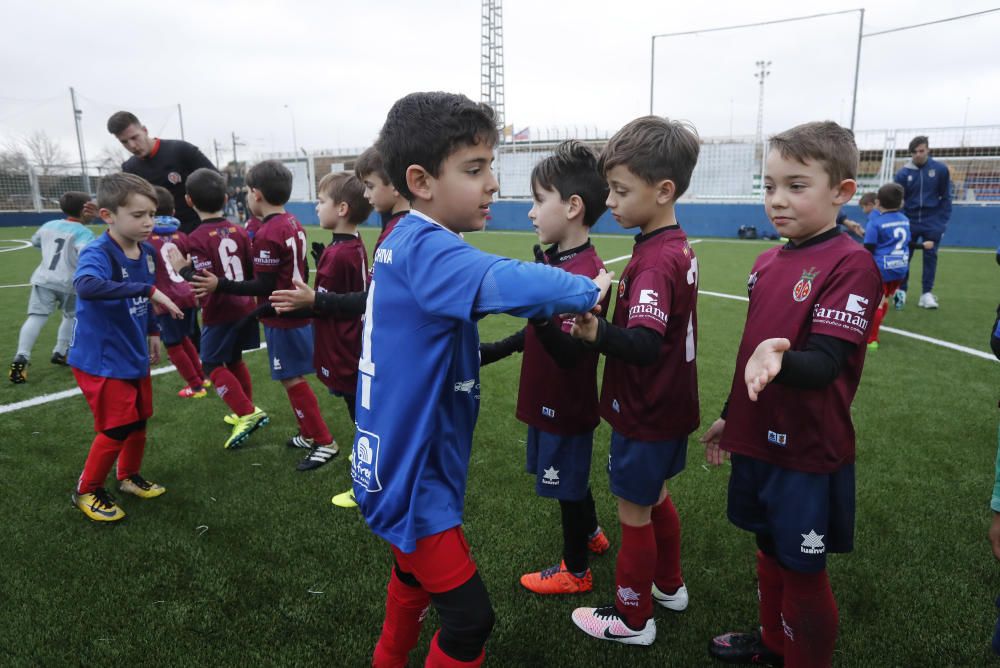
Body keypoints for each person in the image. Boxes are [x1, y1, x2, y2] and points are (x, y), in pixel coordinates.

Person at [354, 91, 612, 668]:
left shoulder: (404, 240)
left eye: (490, 166)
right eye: (475, 169)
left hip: (399, 456)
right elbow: (505, 282)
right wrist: (585, 288)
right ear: (420, 181)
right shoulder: (426, 245)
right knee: (470, 619)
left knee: (410, 571)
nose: (493, 183)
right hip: (412, 471)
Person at [702, 121, 882, 667]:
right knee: (767, 547)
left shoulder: (852, 263)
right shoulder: (765, 262)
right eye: (769, 185)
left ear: (842, 192)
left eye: (796, 185)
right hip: (758, 437)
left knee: (803, 567)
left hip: (806, 450)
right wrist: (732, 415)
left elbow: (825, 363)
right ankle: (774, 644)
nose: (777, 200)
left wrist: (777, 362)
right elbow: (753, 354)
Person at [567, 116, 701, 646]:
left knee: (633, 512)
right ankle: (669, 586)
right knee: (656, 497)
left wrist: (597, 330)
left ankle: (632, 617)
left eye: (621, 190)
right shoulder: (675, 245)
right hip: (672, 406)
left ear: (663, 190)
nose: (612, 201)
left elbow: (645, 343)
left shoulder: (652, 262)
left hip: (645, 410)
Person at [478, 140, 612, 596]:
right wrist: (493, 350)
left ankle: (576, 570)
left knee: (567, 488)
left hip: (565, 403)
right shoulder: (558, 262)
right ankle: (592, 533)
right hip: (547, 398)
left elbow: (573, 352)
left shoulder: (586, 278)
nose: (532, 213)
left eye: (539, 201)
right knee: (570, 478)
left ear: (573, 207)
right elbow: (539, 334)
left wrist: (535, 309)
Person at [189, 160, 337, 469]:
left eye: (246, 191)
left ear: (256, 194)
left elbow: (264, 283)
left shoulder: (269, 232)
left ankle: (324, 441)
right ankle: (309, 433)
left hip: (283, 311)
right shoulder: (292, 221)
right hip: (290, 307)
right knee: (290, 377)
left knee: (291, 378)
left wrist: (221, 284)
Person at [68, 173, 185, 522]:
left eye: (151, 213)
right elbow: (86, 285)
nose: (148, 222)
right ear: (108, 216)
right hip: (101, 357)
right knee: (117, 426)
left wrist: (152, 330)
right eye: (138, 215)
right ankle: (87, 489)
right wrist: (146, 292)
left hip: (131, 350)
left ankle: (128, 476)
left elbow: (144, 292)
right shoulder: (99, 251)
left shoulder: (147, 252)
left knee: (138, 419)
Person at [270, 172, 372, 470]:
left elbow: (324, 304)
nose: (316, 207)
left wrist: (290, 304)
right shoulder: (351, 244)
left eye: (321, 201)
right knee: (357, 399)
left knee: (356, 403)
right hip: (351, 338)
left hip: (342, 342)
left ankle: (370, 455)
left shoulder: (339, 254)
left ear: (342, 209)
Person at [167, 168, 269, 450]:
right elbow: (251, 270)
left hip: (220, 309)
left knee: (211, 363)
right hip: (244, 304)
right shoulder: (240, 230)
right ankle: (245, 409)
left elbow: (203, 280)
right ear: (226, 199)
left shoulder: (195, 237)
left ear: (188, 201)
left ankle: (247, 413)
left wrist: (182, 270)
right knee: (234, 358)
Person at [9, 191, 95, 383]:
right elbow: (86, 255)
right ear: (85, 210)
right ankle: (60, 351)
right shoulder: (85, 233)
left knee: (36, 317)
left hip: (44, 279)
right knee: (71, 316)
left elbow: (35, 242)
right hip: (71, 283)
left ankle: (21, 357)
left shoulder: (49, 225)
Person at [107, 110, 218, 235]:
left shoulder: (181, 150)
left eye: (134, 137)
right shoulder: (129, 169)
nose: (132, 145)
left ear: (144, 130)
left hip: (196, 231)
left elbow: (216, 181)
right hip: (157, 237)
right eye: (124, 142)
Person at [148, 186, 208, 396]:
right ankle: (201, 377)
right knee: (184, 338)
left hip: (167, 298)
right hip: (188, 293)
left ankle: (195, 385)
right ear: (173, 212)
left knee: (173, 344)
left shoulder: (145, 239)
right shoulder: (182, 236)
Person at [893, 135, 952, 309]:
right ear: (911, 153)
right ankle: (901, 292)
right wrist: (902, 221)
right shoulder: (903, 173)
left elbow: (946, 197)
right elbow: (898, 200)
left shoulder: (940, 170)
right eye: (915, 152)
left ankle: (926, 294)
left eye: (921, 150)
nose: (918, 154)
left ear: (928, 150)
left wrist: (941, 222)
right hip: (909, 221)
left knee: (930, 256)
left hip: (932, 221)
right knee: (904, 257)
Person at [863, 183, 914, 350]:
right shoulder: (905, 220)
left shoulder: (876, 222)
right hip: (900, 267)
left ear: (877, 203)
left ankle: (871, 339)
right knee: (884, 300)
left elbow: (869, 247)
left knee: (876, 303)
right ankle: (876, 328)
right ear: (900, 203)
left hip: (881, 269)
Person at [355, 146, 410, 250]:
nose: (365, 194)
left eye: (370, 186)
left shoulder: (398, 233)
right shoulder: (399, 225)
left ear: (395, 185)